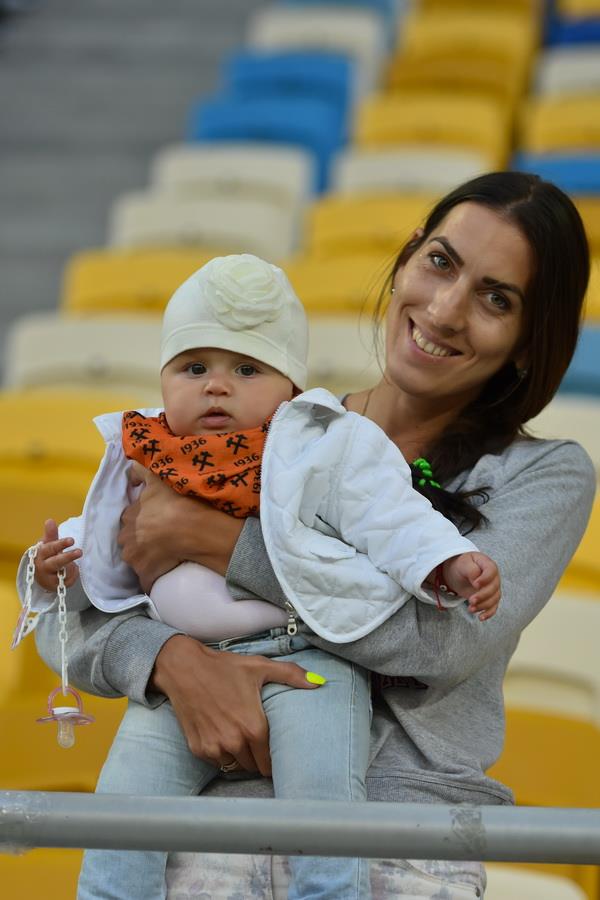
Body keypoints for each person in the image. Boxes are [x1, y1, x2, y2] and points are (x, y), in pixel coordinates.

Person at [30, 172, 595, 899]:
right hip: (202, 839)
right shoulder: (271, 420)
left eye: (497, 299)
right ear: (405, 261)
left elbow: (442, 642)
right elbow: (72, 618)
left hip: (400, 847)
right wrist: (170, 659)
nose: (446, 310)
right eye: (440, 262)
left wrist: (213, 541)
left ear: (527, 341)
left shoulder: (543, 473)